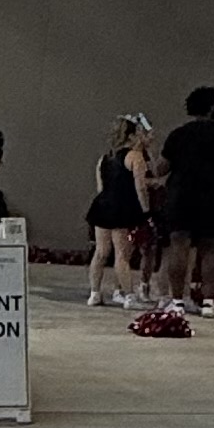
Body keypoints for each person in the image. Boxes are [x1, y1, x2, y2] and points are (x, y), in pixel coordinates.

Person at [155, 83, 214, 316]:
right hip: (210, 194)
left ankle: (177, 302)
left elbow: (161, 168)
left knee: (178, 246)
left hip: (180, 195)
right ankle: (210, 303)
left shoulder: (178, 134)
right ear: (213, 107)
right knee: (210, 248)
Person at [84, 114, 150, 306]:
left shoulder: (104, 159)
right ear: (130, 136)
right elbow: (141, 187)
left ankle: (94, 293)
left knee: (101, 251)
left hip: (103, 206)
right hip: (122, 208)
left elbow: (100, 187)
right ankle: (129, 296)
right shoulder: (135, 157)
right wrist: (146, 211)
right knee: (122, 254)